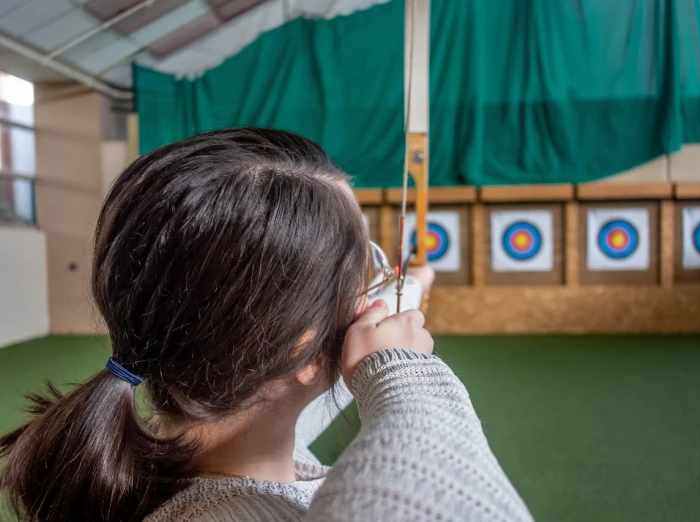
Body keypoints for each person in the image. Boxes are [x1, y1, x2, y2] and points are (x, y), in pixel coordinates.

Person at [0, 128, 533, 522]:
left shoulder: (182, 455)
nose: (378, 293)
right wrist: (402, 371)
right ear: (296, 349)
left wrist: (412, 284)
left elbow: (287, 381)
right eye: (367, 275)